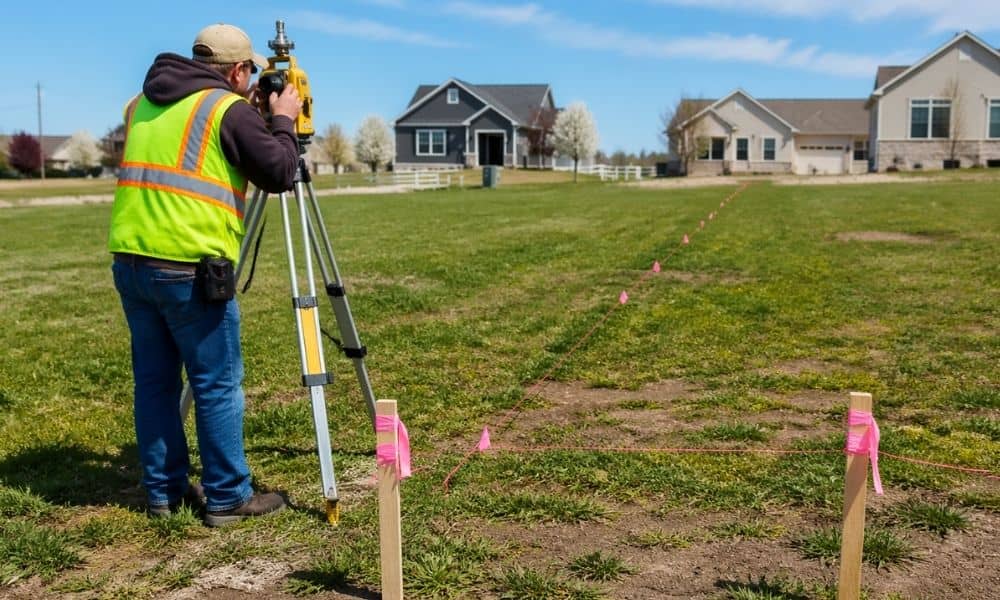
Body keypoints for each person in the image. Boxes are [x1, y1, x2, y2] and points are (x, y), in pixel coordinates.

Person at [108, 23, 302, 527]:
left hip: (131, 260)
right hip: (190, 268)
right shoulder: (226, 110)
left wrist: (252, 118)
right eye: (251, 72)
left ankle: (164, 493)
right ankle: (227, 496)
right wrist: (281, 119)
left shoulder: (141, 103)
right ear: (237, 71)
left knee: (154, 384)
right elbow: (280, 171)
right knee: (216, 384)